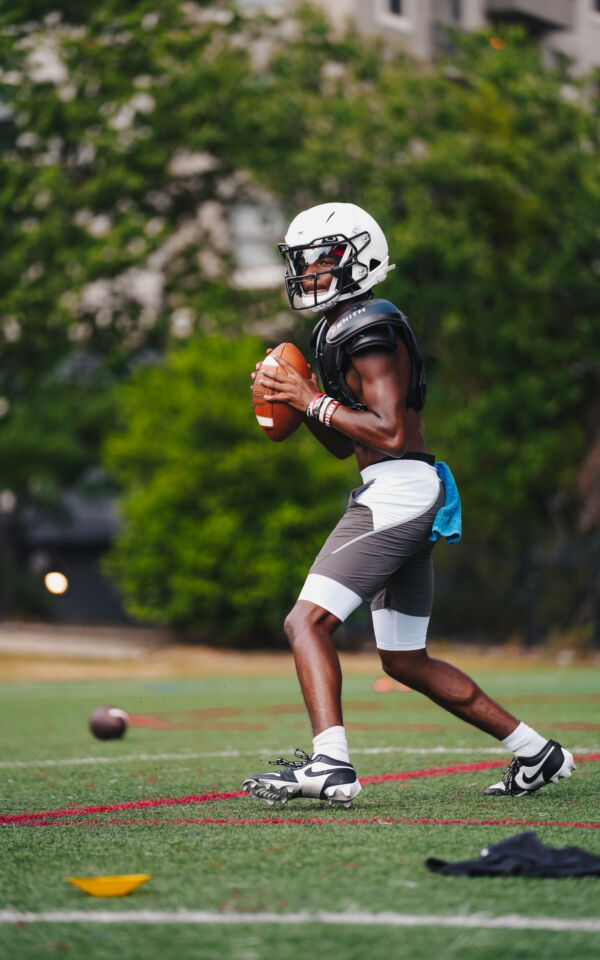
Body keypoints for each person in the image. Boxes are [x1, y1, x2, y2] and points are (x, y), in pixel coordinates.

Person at [242, 202, 575, 808]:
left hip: (397, 490)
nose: (309, 271)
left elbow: (390, 432)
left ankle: (330, 764)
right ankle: (537, 752)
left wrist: (309, 398)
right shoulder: (340, 327)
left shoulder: (370, 321)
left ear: (358, 258)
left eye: (321, 257)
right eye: (303, 261)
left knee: (304, 622)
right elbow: (347, 441)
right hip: (398, 488)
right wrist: (302, 397)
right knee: (403, 659)